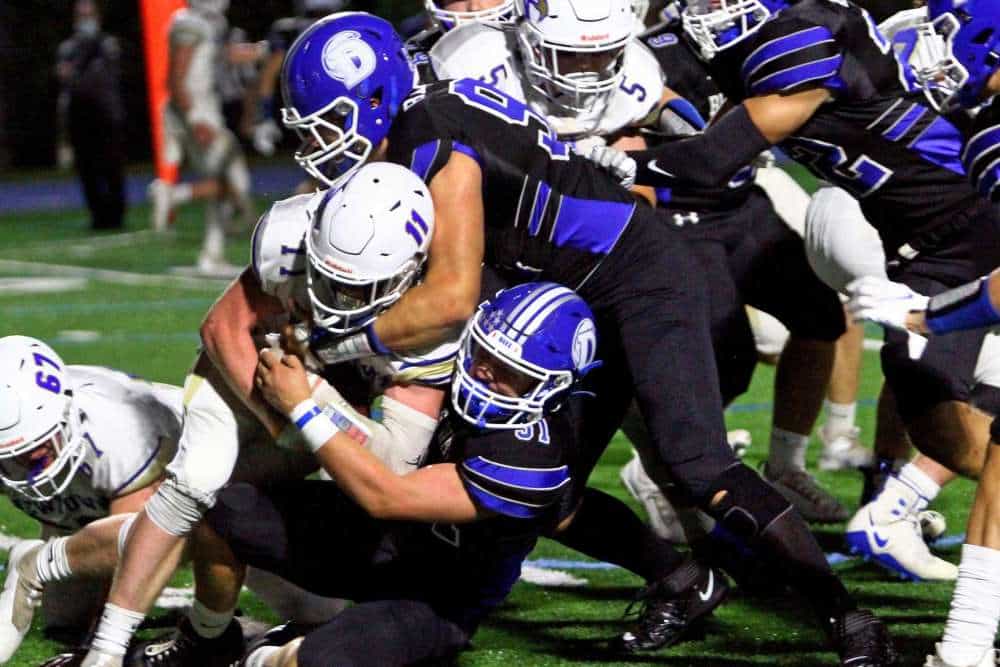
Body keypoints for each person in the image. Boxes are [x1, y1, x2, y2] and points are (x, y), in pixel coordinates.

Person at [272, 13, 891, 665]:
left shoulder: (432, 138)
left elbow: (453, 296)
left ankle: (847, 617)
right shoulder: (425, 118)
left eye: (328, 123)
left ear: (375, 100)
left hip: (639, 276)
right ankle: (684, 580)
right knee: (548, 486)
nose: (318, 142)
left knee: (699, 463)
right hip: (575, 289)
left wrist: (332, 344)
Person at [69, 162, 474, 667]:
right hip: (249, 371)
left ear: (409, 272)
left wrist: (309, 404)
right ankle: (107, 649)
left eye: (354, 289)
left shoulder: (434, 329)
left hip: (308, 400)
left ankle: (60, 568)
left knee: (304, 590)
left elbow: (393, 466)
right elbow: (223, 328)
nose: (334, 299)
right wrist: (282, 415)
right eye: (325, 275)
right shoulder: (290, 241)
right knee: (198, 480)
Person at [215, 281, 598, 667]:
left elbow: (386, 497)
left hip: (438, 595)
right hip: (378, 538)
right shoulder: (452, 362)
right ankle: (209, 634)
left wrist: (303, 406)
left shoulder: (534, 457)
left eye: (509, 371)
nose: (484, 371)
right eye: (484, 352)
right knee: (227, 507)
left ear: (552, 387)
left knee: (320, 661)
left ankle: (267, 655)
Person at [0, 336, 181, 659]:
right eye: (20, 455)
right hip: (82, 502)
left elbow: (138, 542)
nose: (35, 458)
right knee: (65, 622)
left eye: (42, 442)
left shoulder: (120, 431)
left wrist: (102, 645)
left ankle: (210, 627)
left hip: (190, 495)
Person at [147, 0, 258, 276]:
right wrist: (194, 118)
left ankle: (213, 253)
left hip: (201, 109)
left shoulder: (205, 22)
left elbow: (222, 55)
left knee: (228, 180)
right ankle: (173, 195)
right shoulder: (190, 23)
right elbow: (176, 77)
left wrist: (260, 51)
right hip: (196, 112)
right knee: (234, 179)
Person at [55, 0, 126, 231]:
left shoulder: (107, 43)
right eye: (81, 15)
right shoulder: (68, 47)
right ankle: (98, 216)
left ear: (98, 16)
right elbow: (64, 79)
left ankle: (116, 215)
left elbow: (101, 78)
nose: (86, 19)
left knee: (112, 166)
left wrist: (75, 75)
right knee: (86, 169)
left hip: (106, 114)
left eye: (89, 14)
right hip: (80, 116)